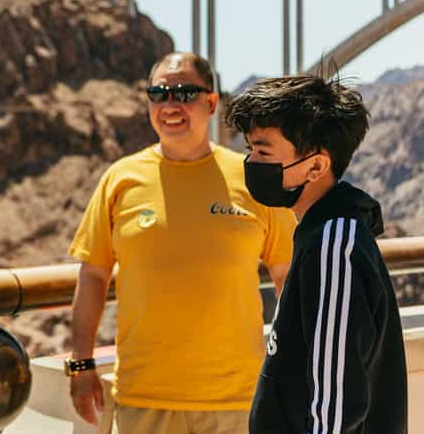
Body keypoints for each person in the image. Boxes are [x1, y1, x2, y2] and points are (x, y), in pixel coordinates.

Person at [67, 52, 297, 434]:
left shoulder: (252, 178)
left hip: (238, 402)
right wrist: (81, 364)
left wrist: (292, 365)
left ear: (211, 102)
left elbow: (288, 277)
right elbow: (92, 275)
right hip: (145, 401)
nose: (170, 104)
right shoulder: (120, 179)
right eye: (159, 93)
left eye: (184, 92)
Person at [226, 75, 407, 434]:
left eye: (263, 152)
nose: (251, 162)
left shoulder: (334, 244)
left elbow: (335, 403)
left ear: (315, 166)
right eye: (250, 150)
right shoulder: (320, 233)